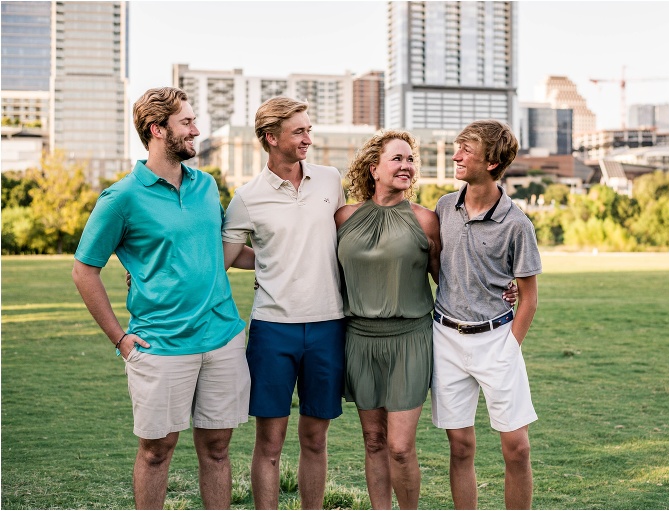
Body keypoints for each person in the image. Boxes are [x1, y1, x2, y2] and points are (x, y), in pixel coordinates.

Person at [72, 87, 251, 509]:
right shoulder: (121, 198)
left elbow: (224, 251)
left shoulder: (205, 186)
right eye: (186, 122)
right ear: (158, 130)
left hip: (222, 338)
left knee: (218, 449)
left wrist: (293, 254)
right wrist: (120, 337)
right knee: (156, 452)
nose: (196, 130)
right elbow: (84, 270)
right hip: (160, 344)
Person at [221, 96, 346, 510]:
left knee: (315, 437)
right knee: (269, 441)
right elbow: (224, 256)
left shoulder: (330, 179)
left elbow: (348, 239)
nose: (309, 137)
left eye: (309, 129)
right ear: (271, 138)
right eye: (300, 131)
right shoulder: (247, 197)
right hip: (273, 330)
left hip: (329, 325)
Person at [431, 119, 542, 510]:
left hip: (497, 340)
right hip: (445, 338)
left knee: (517, 449)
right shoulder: (444, 206)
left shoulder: (516, 224)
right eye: (457, 146)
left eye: (466, 149)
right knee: (460, 446)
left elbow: (528, 298)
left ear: (492, 162)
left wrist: (509, 348)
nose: (456, 155)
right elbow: (438, 266)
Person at [334, 130, 440, 509]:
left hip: (410, 339)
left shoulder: (426, 221)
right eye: (397, 159)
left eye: (410, 160)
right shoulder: (343, 217)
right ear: (373, 168)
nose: (406, 166)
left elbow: (448, 279)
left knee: (399, 446)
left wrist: (505, 290)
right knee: (374, 441)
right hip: (359, 339)